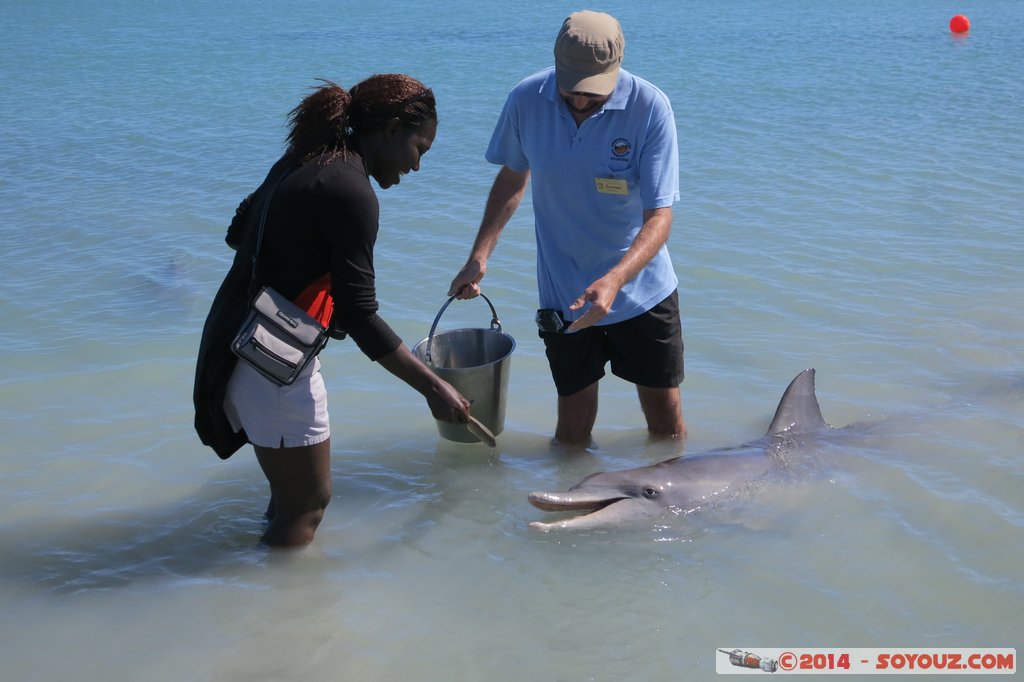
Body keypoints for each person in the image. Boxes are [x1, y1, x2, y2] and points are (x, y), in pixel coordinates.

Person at [194, 75, 471, 548]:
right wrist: (433, 386)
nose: (418, 165)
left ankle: (262, 593)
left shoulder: (307, 159)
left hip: (234, 339)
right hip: (271, 365)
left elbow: (240, 231)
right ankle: (288, 615)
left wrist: (313, 284)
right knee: (307, 507)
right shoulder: (352, 191)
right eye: (419, 147)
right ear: (390, 130)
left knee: (288, 500)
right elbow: (361, 315)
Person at [448, 10, 686, 447]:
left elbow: (660, 216)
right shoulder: (525, 99)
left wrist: (614, 280)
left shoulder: (651, 108)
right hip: (562, 297)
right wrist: (479, 257)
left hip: (642, 291)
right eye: (570, 88)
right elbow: (512, 179)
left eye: (592, 92)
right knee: (572, 429)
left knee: (665, 423)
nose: (579, 101)